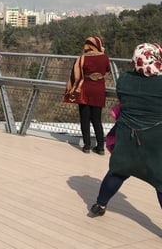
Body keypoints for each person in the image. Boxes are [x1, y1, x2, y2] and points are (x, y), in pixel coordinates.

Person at [90, 43, 162, 216]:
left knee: (118, 171)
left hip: (127, 135)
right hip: (155, 139)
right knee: (160, 181)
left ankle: (100, 205)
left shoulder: (124, 80)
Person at [64, 36, 111, 154]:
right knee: (96, 119)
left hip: (84, 90)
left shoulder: (82, 58)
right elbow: (107, 70)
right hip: (99, 90)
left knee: (85, 119)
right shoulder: (104, 58)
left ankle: (87, 146)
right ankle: (100, 147)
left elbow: (76, 75)